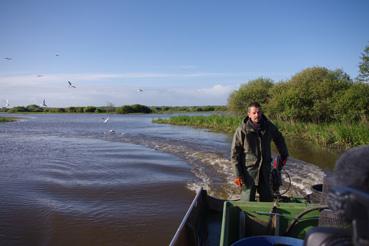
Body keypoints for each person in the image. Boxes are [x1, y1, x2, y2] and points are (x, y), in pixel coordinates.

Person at [231, 102, 288, 201]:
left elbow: (279, 138)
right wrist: (237, 175)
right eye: (254, 113)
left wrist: (284, 155)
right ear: (249, 114)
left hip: (265, 169)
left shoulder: (269, 127)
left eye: (259, 112)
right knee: (247, 201)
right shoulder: (242, 130)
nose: (257, 115)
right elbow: (235, 154)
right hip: (249, 171)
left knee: (268, 200)